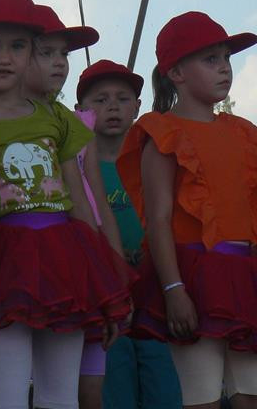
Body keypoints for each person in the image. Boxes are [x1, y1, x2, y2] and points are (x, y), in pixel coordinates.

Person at [0, 0, 131, 409]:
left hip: (65, 264)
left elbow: (79, 202)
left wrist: (107, 287)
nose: (4, 57)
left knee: (61, 398)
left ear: (30, 53)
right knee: (5, 396)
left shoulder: (58, 118)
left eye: (17, 46)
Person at [118, 11, 257, 409]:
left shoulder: (244, 133)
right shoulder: (162, 133)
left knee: (255, 399)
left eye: (226, 59)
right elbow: (158, 220)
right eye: (210, 60)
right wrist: (173, 289)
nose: (224, 69)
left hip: (245, 275)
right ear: (177, 73)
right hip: (194, 278)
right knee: (201, 399)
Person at [22, 4, 125, 409]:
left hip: (88, 268)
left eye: (63, 54)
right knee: (49, 387)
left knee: (91, 392)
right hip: (42, 268)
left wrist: (114, 278)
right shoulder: (5, 123)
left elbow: (100, 204)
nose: (58, 64)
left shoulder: (82, 125)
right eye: (45, 53)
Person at [75, 60, 182, 409]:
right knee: (113, 387)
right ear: (81, 111)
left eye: (123, 98)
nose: (112, 107)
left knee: (164, 388)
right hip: (105, 296)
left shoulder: (155, 163)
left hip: (155, 291)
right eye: (100, 99)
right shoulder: (74, 170)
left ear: (137, 107)